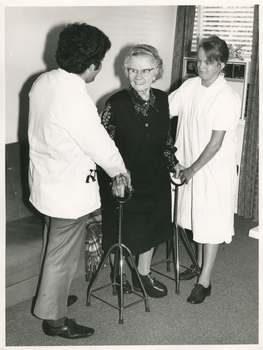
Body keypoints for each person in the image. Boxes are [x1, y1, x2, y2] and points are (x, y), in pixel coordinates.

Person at [28, 22, 131, 339]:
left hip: (47, 184)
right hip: (67, 192)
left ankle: (52, 298)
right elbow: (101, 146)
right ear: (91, 65)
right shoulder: (75, 99)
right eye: (100, 61)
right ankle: (55, 321)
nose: (100, 67)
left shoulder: (44, 81)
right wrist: (122, 173)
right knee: (61, 258)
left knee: (54, 249)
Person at [98, 44, 179, 298]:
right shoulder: (116, 103)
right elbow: (102, 146)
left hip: (155, 177)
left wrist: (174, 164)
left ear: (157, 71)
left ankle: (142, 275)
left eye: (146, 70)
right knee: (122, 229)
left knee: (153, 227)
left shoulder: (163, 99)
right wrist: (115, 176)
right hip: (123, 179)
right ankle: (118, 277)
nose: (139, 76)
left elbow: (166, 141)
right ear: (126, 71)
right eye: (133, 70)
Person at [169, 35, 241, 304]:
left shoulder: (226, 96)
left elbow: (216, 143)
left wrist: (192, 170)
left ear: (221, 65)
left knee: (209, 224)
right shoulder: (190, 86)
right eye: (198, 61)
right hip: (189, 164)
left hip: (212, 170)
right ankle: (199, 267)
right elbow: (167, 109)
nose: (201, 67)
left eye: (207, 63)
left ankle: (205, 281)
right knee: (194, 218)